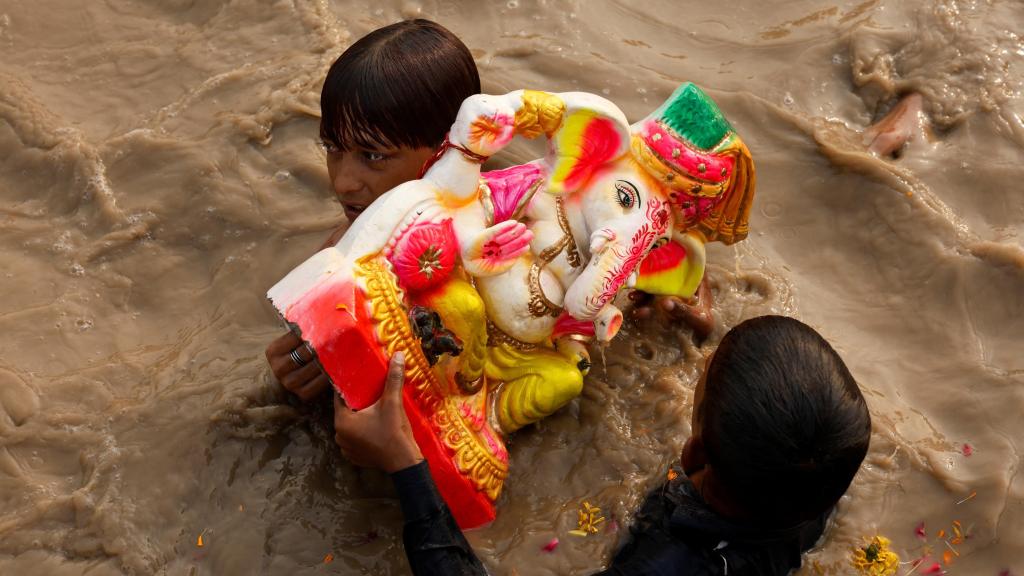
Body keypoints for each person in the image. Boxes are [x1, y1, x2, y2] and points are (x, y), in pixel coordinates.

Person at [332, 315, 873, 575]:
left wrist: (406, 466)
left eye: (703, 377)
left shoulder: (662, 568)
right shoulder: (810, 488)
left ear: (695, 454)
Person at [265, 19, 481, 403]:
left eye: (373, 156)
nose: (342, 182)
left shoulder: (506, 247)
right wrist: (286, 387)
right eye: (332, 147)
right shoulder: (339, 261)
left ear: (449, 153)